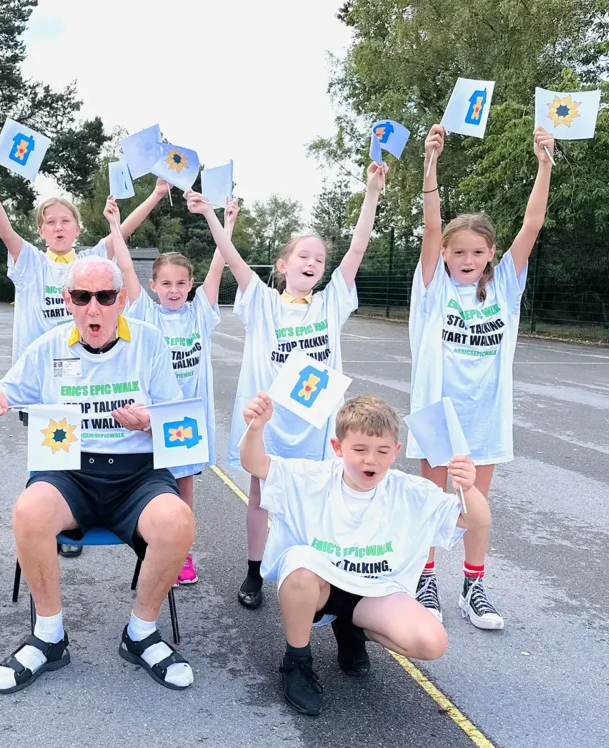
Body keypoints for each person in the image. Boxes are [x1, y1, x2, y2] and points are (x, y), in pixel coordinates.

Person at [0, 256, 196, 693]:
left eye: (105, 297)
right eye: (81, 297)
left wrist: (147, 420)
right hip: (69, 472)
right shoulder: (49, 345)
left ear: (123, 300)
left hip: (137, 475)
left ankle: (141, 633)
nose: (93, 308)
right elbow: (5, 391)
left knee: (178, 520)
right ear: (67, 301)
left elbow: (173, 413)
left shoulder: (148, 343)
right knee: (29, 511)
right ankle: (48, 637)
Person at [187, 163, 386, 610]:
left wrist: (371, 192)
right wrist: (211, 217)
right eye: (303, 256)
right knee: (260, 497)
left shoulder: (332, 301)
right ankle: (254, 571)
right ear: (283, 265)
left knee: (316, 503)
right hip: (271, 426)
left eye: (319, 259)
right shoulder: (261, 301)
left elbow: (357, 247)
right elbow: (233, 258)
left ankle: (314, 575)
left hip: (317, 427)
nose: (313, 263)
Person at [240, 393, 490, 716]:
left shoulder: (409, 492)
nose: (370, 460)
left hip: (372, 592)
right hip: (321, 585)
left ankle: (352, 629)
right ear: (337, 447)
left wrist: (467, 487)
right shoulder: (313, 477)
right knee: (299, 570)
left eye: (382, 451)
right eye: (359, 450)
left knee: (433, 641)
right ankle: (296, 661)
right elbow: (255, 463)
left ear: (396, 452)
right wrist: (256, 429)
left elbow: (477, 519)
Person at [0, 164, 173, 557]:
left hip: (101, 365)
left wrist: (155, 194)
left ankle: (97, 512)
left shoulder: (95, 260)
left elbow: (123, 233)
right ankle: (63, 515)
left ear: (78, 228)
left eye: (66, 221)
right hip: (47, 378)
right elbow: (6, 233)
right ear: (41, 230)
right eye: (51, 222)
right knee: (56, 456)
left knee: (104, 435)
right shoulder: (31, 261)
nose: (59, 227)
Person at [410, 125, 553, 629]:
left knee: (475, 504)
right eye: (458, 252)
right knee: (431, 500)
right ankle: (424, 579)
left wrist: (544, 165)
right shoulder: (433, 288)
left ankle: (473, 586)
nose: (466, 259)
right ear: (445, 255)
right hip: (437, 410)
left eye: (476, 251)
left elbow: (531, 225)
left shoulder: (506, 286)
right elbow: (431, 227)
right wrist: (430, 164)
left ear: (490, 253)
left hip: (485, 412)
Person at [104, 194, 239, 585]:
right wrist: (115, 224)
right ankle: (152, 545)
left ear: (191, 285)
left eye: (181, 283)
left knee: (183, 488)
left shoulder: (201, 312)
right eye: (166, 283)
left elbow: (221, 263)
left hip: (186, 419)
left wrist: (227, 224)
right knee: (150, 485)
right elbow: (124, 267)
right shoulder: (144, 312)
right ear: (154, 286)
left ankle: (182, 554)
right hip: (152, 416)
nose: (174, 289)